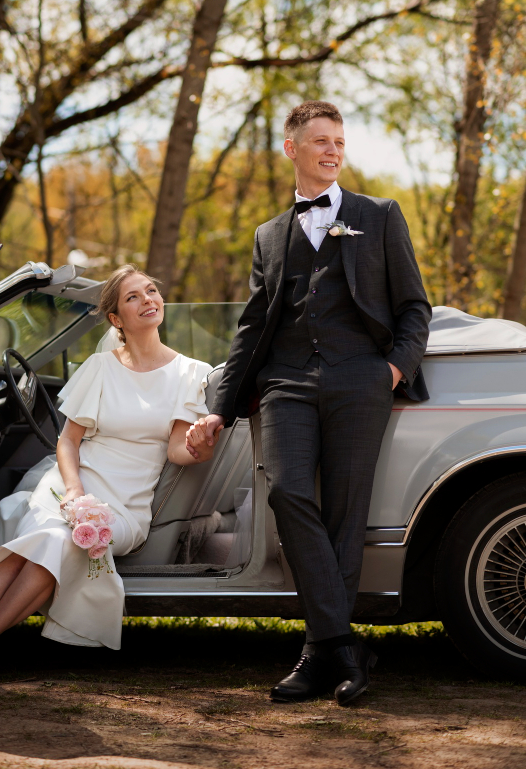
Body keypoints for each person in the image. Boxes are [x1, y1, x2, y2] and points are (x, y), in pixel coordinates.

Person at [186, 101, 431, 706]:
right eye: (321, 141)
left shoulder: (379, 215)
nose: (333, 151)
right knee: (288, 492)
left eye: (339, 142)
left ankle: (318, 655)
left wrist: (392, 369)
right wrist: (220, 406)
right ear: (291, 148)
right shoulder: (269, 235)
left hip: (362, 379)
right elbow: (252, 327)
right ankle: (343, 648)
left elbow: (414, 307)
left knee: (347, 514)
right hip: (287, 382)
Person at [0, 265, 213, 688]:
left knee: (57, 542)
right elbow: (68, 443)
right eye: (133, 297)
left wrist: (202, 445)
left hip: (126, 507)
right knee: (47, 539)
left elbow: (178, 450)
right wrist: (73, 490)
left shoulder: (190, 372)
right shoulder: (100, 367)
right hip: (69, 485)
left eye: (151, 291)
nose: (148, 299)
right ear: (116, 319)